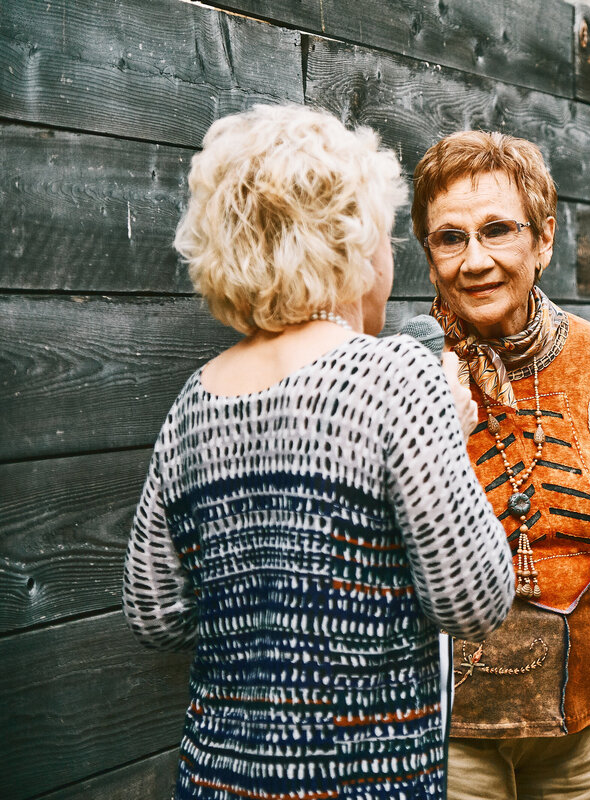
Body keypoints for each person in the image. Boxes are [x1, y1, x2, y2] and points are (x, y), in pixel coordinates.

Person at [122, 104, 515, 800]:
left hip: (214, 781)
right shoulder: (396, 375)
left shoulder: (193, 401)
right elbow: (473, 601)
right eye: (389, 239)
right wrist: (450, 442)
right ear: (353, 246)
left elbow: (155, 612)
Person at [410, 131, 590, 800]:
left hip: (576, 715)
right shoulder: (407, 369)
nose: (474, 261)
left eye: (497, 230)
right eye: (450, 238)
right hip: (451, 726)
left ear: (544, 239)